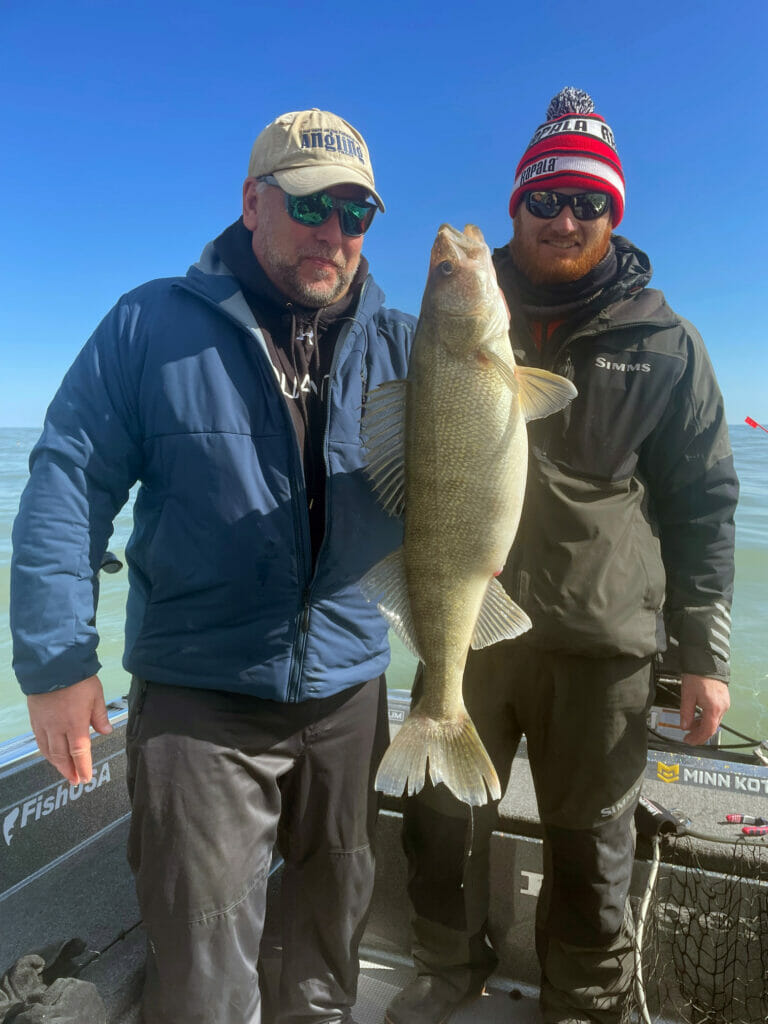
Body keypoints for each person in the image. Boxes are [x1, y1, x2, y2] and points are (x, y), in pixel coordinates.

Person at [10, 108, 416, 1024]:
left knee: (328, 944)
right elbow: (70, 476)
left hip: (352, 689)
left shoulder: (404, 346)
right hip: (202, 692)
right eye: (312, 206)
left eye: (356, 214)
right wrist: (58, 660)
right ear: (251, 202)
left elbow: (483, 466)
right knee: (203, 969)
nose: (334, 234)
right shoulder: (150, 323)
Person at [385, 87, 738, 1024]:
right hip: (473, 620)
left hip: (605, 641)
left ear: (614, 214)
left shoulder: (665, 342)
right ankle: (447, 967)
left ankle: (584, 998)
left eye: (587, 201)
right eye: (545, 198)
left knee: (592, 838)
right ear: (517, 207)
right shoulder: (459, 322)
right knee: (438, 818)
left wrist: (702, 653)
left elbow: (705, 504)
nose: (564, 217)